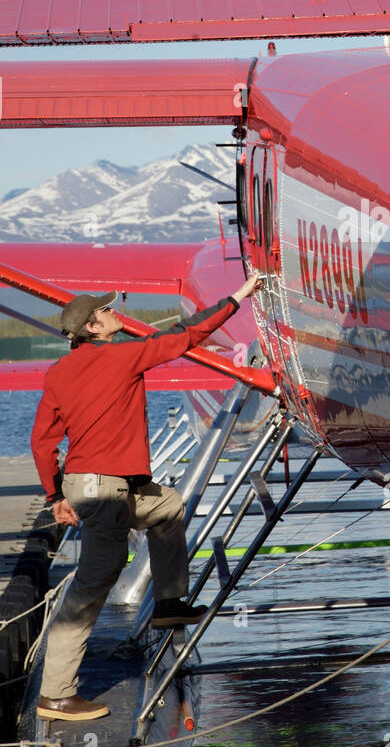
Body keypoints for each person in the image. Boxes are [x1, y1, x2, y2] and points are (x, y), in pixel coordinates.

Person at [30, 276, 262, 721]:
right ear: (94, 328)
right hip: (104, 490)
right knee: (92, 584)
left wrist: (53, 494)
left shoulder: (59, 373)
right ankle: (56, 694)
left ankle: (169, 604)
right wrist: (236, 297)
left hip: (97, 486)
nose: (113, 310)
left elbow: (42, 443)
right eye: (105, 310)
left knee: (169, 507)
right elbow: (185, 336)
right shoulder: (123, 355)